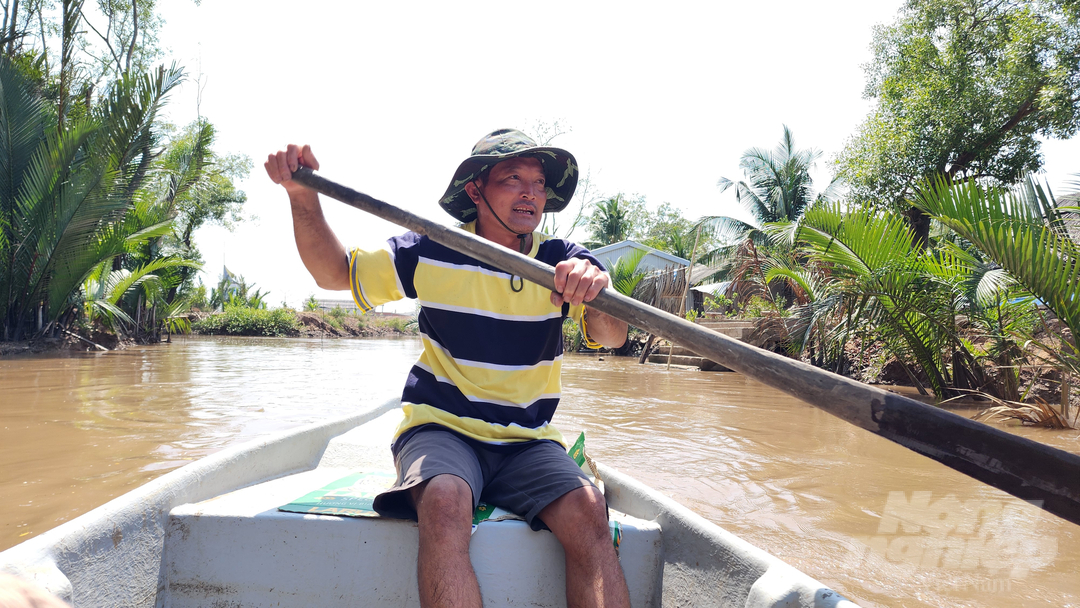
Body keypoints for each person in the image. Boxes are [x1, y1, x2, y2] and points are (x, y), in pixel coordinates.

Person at [265, 129, 630, 608]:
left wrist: (596, 291)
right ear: (475, 191)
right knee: (444, 501)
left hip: (528, 439)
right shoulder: (431, 249)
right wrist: (301, 196)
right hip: (442, 429)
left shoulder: (563, 260)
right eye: (513, 178)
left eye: (539, 183)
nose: (530, 193)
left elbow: (613, 336)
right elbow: (333, 273)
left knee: (588, 508)